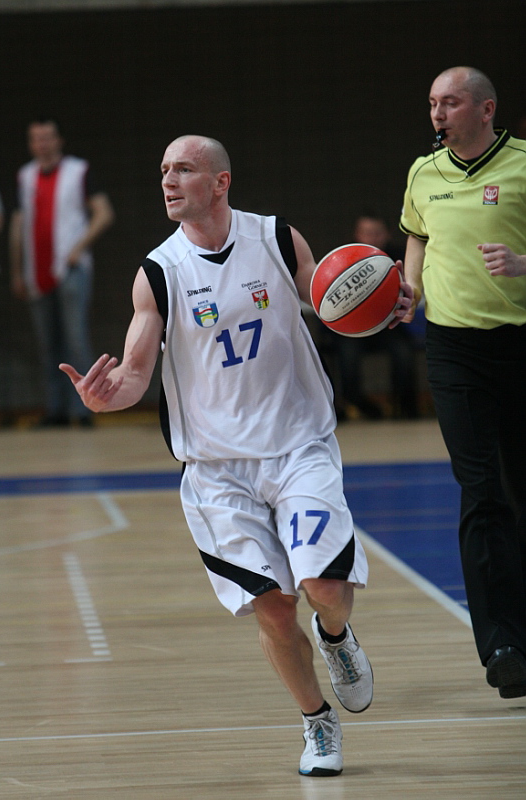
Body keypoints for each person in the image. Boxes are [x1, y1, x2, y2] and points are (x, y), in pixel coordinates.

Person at [60, 134, 411, 776]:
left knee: (326, 590)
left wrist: (385, 306)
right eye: (163, 170)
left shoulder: (275, 238)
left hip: (298, 444)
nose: (168, 181)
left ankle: (336, 637)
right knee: (274, 607)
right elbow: (135, 371)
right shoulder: (159, 272)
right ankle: (317, 722)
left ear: (221, 182)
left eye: (183, 169)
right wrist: (107, 397)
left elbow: (334, 301)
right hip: (218, 470)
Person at [400, 67, 526, 699]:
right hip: (453, 349)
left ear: (486, 109)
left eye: (449, 102)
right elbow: (416, 238)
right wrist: (409, 289)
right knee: (481, 492)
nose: (437, 113)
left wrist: (524, 264)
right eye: (432, 103)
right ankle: (503, 645)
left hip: (520, 341)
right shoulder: (424, 172)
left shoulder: (524, 164)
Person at [10, 118, 114, 427]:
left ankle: (86, 409)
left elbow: (104, 213)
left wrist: (78, 247)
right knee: (48, 345)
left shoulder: (78, 171)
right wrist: (17, 269)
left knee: (76, 339)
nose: (42, 144)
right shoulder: (25, 176)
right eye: (36, 138)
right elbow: (18, 224)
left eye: (47, 137)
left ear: (58, 140)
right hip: (36, 271)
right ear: (31, 143)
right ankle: (56, 411)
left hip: (71, 269)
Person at [323, 213, 419, 420]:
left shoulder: (399, 258)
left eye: (377, 233)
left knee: (403, 351)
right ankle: (353, 404)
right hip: (352, 327)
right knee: (347, 354)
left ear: (388, 234)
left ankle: (404, 407)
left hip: (388, 325)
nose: (372, 238)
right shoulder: (343, 258)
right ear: (357, 235)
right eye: (367, 233)